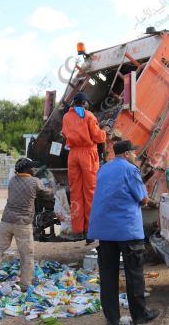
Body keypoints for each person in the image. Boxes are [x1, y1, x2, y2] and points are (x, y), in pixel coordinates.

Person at [88, 140, 160, 325]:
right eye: (134, 153)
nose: (135, 156)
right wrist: (153, 203)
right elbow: (143, 198)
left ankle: (112, 318)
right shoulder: (131, 169)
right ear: (127, 154)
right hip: (126, 230)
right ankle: (140, 315)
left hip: (104, 230)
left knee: (108, 275)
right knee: (134, 274)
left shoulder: (103, 169)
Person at [0, 158, 54, 290]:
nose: (34, 170)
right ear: (26, 170)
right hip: (23, 224)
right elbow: (49, 195)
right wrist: (52, 184)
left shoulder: (12, 181)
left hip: (6, 221)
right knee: (26, 254)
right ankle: (25, 284)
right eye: (32, 168)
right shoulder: (34, 182)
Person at [62, 92, 107, 240]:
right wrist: (105, 133)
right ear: (84, 103)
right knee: (90, 191)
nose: (89, 105)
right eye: (87, 103)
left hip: (73, 155)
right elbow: (96, 136)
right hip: (87, 154)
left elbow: (64, 133)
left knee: (75, 190)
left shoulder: (66, 116)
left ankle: (78, 228)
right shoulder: (88, 115)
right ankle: (90, 228)